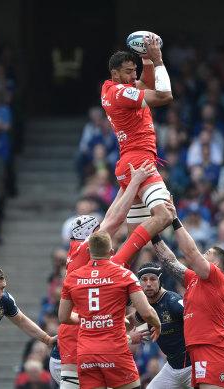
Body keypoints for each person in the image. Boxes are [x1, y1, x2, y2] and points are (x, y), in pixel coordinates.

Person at [54, 160, 156, 388]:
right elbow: (116, 219)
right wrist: (136, 182)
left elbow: (111, 215)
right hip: (76, 350)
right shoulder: (87, 253)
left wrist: (124, 185)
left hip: (79, 347)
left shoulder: (78, 252)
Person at [59, 231, 162, 389]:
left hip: (86, 354)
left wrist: (90, 319)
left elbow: (63, 317)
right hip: (115, 351)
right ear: (111, 252)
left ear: (88, 252)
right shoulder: (125, 275)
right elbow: (146, 312)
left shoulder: (72, 278)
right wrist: (157, 324)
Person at [151, 201, 224, 388]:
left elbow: (190, 252)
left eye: (207, 253)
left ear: (217, 265)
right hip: (198, 351)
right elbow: (169, 261)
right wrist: (152, 233)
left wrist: (175, 219)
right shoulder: (194, 279)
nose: (202, 255)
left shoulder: (216, 277)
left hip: (214, 350)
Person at [101, 34, 174, 238]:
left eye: (134, 71)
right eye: (128, 72)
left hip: (129, 163)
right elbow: (164, 95)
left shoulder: (110, 89)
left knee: (128, 230)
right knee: (165, 215)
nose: (134, 76)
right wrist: (158, 60)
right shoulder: (121, 94)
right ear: (114, 73)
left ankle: (115, 265)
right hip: (140, 162)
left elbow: (143, 83)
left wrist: (146, 59)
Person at [126, 262, 192, 389]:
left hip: (191, 368)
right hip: (172, 369)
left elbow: (198, 324)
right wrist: (105, 325)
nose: (148, 284)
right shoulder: (146, 307)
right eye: (144, 280)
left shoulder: (174, 302)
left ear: (160, 280)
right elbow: (130, 322)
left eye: (153, 279)